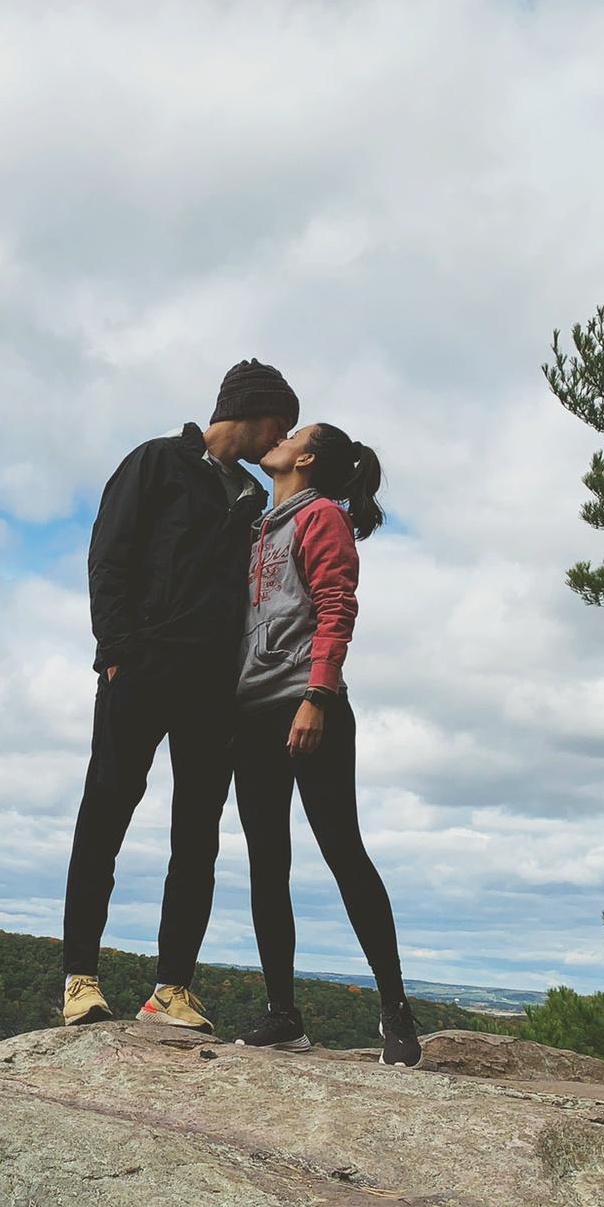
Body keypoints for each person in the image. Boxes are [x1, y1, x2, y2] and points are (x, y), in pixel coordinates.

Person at [61, 359, 300, 1032]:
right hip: (139, 674)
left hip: (213, 692)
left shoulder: (254, 498)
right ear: (250, 411)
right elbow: (108, 557)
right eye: (277, 426)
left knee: (197, 838)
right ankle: (81, 981)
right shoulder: (156, 463)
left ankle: (171, 991)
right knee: (105, 817)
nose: (279, 441)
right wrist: (115, 656)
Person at [231, 421, 422, 1067]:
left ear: (305, 458)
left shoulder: (321, 519)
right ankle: (283, 1015)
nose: (278, 439)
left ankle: (395, 1009)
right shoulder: (259, 523)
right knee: (266, 861)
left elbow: (338, 605)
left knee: (342, 852)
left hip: (310, 707)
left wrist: (316, 695)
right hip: (253, 712)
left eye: (292, 435)